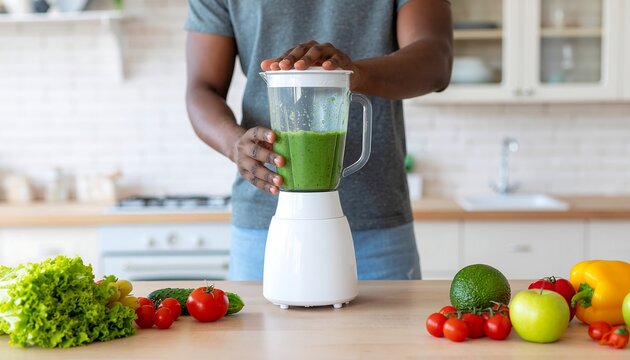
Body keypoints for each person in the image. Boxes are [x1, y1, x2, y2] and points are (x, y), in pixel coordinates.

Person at [185, 0, 453, 280]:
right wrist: (234, 143)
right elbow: (201, 87)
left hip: (377, 225)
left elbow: (437, 58)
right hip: (265, 223)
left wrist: (354, 74)